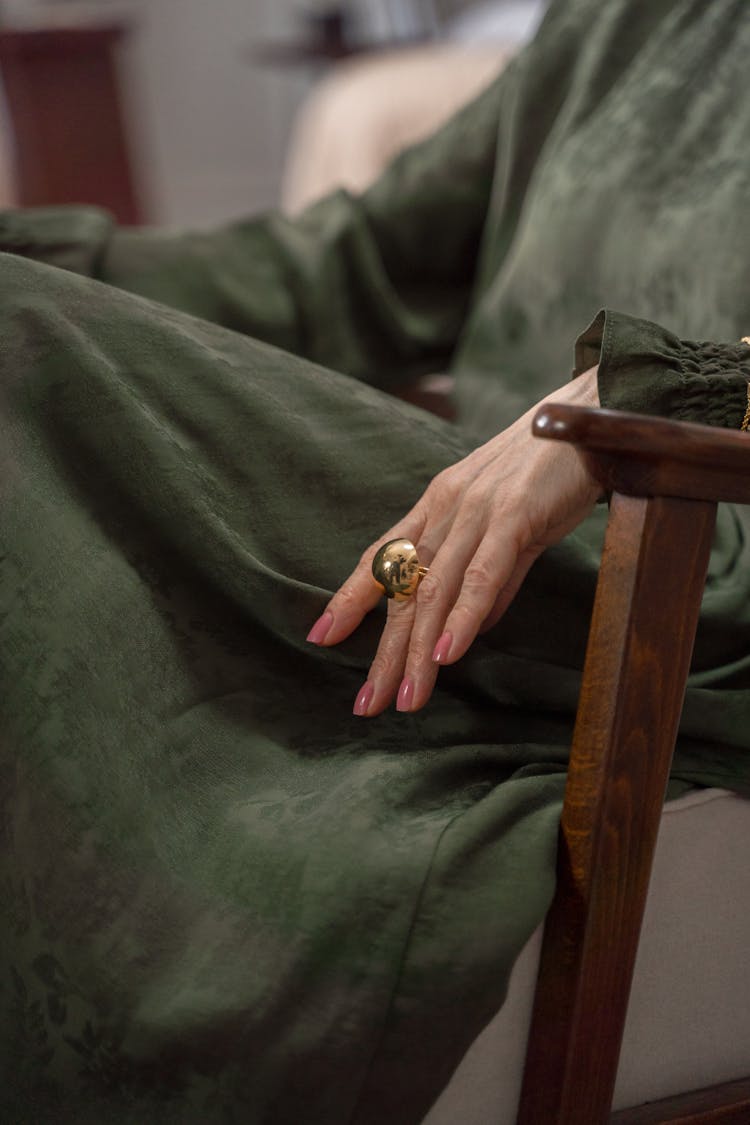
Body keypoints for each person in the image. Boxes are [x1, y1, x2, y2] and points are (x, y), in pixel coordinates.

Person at [1, 0, 749, 1122]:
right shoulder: (632, 17)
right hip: (492, 546)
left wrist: (682, 383)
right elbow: (346, 271)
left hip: (695, 576)